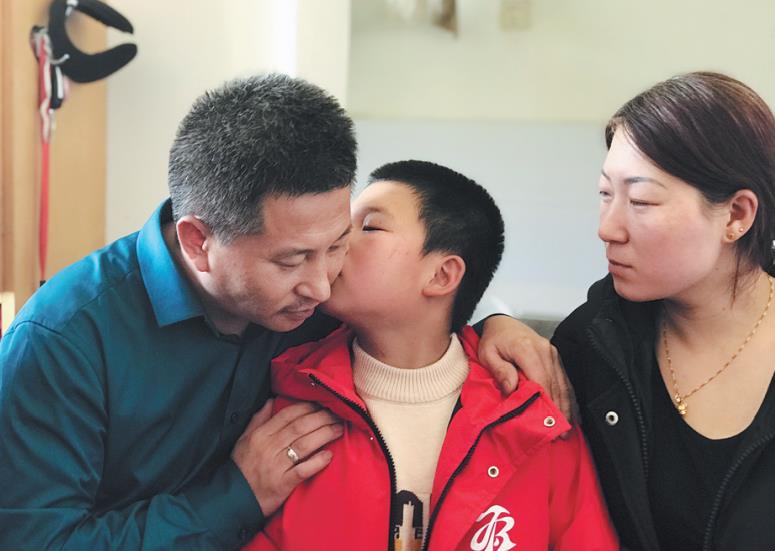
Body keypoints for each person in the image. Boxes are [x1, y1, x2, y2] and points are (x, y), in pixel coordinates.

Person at [0, 74, 565, 550]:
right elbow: (37, 542)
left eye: (339, 244)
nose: (321, 285)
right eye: (291, 260)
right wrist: (237, 494)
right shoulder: (61, 341)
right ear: (198, 241)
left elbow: (414, 311)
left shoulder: (315, 302)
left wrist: (493, 327)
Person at [244, 160, 617, 550]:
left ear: (442, 275)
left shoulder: (532, 421)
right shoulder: (290, 394)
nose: (336, 239)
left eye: (369, 226)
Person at [547, 72, 775, 551]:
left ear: (736, 215)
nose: (608, 229)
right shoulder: (590, 346)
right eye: (605, 193)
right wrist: (496, 328)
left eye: (642, 201)